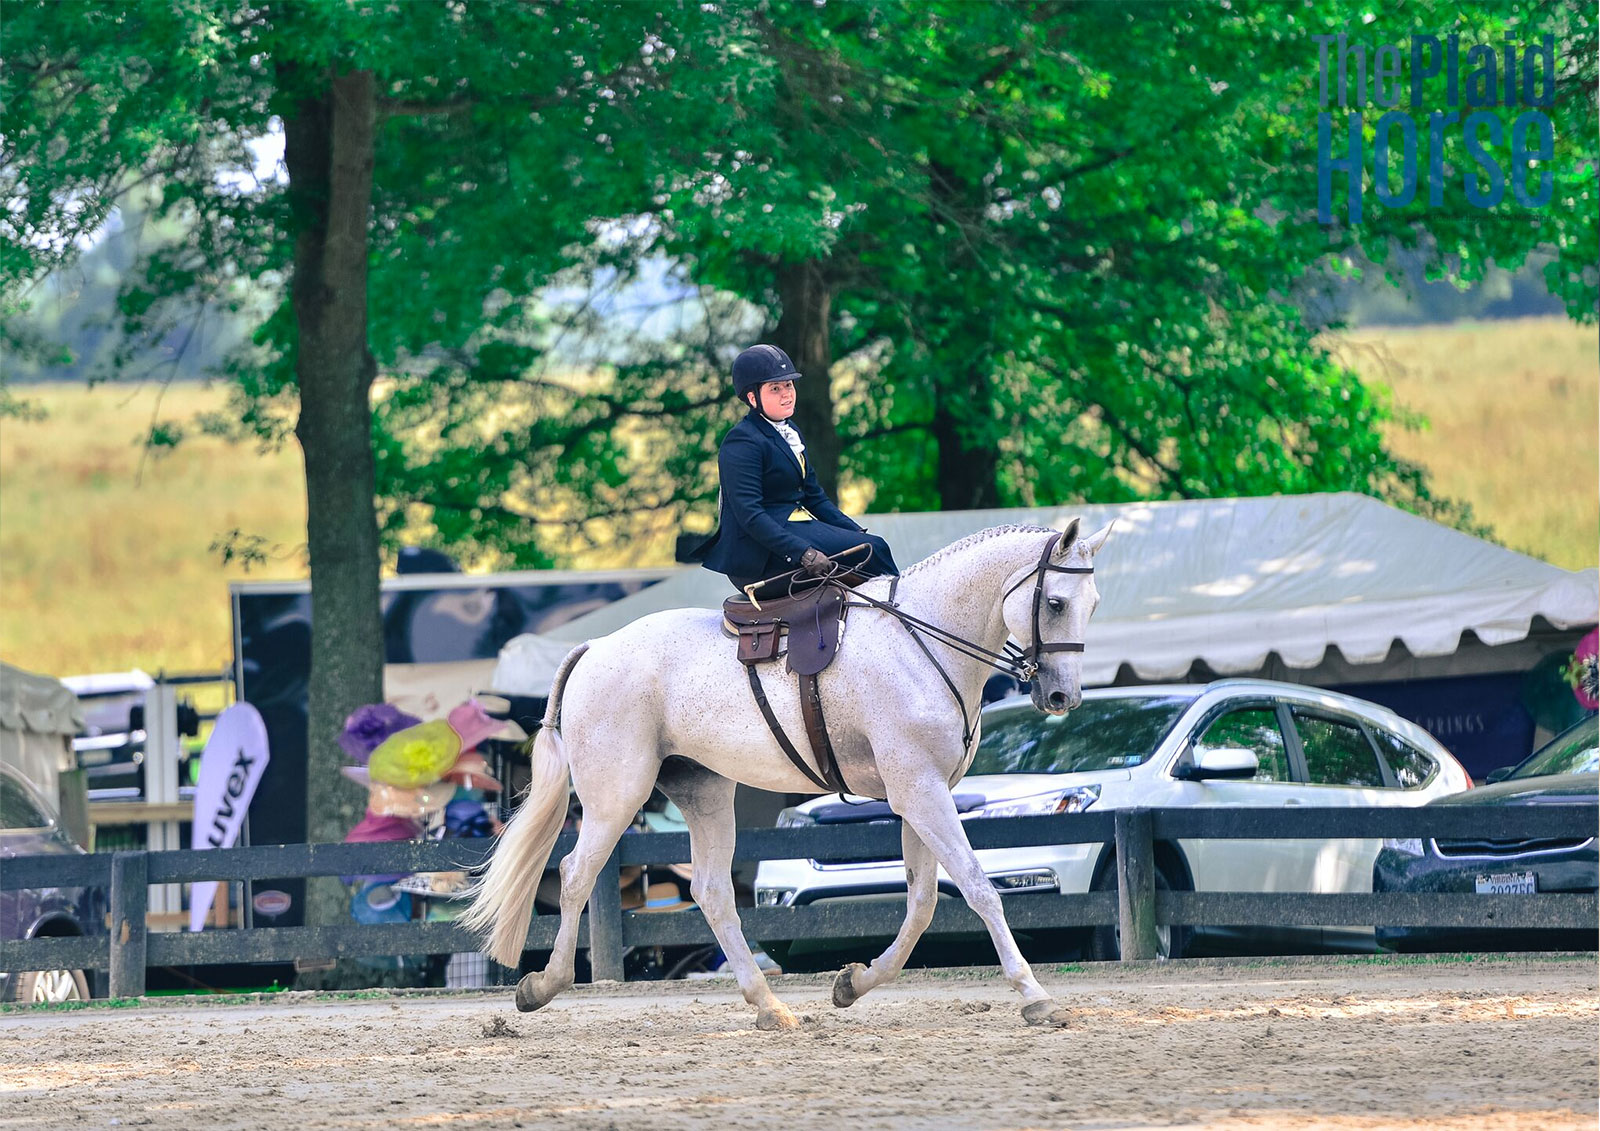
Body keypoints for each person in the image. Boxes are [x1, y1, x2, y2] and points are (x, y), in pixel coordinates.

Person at [693, 343, 899, 592]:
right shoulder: (742, 441)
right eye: (775, 388)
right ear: (752, 397)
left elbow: (815, 497)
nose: (787, 394)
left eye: (789, 385)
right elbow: (750, 515)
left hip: (796, 528)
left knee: (873, 546)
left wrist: (856, 532)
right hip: (760, 554)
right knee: (876, 549)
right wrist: (803, 553)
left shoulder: (790, 433)